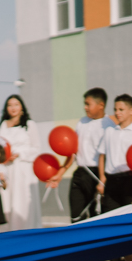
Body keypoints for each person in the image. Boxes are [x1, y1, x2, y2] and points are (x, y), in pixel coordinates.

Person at [49, 88, 114, 222]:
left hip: (97, 175)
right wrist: (60, 174)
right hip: (80, 173)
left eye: (88, 104)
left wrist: (104, 180)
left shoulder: (109, 126)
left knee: (96, 216)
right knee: (76, 214)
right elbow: (72, 151)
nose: (85, 107)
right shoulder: (82, 122)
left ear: (101, 105)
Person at [0, 95, 42, 231]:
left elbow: (36, 148)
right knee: (7, 202)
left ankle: (28, 230)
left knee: (24, 201)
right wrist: (4, 157)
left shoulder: (29, 125)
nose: (13, 108)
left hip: (24, 168)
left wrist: (20, 154)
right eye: (10, 105)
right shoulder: (0, 126)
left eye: (16, 104)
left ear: (21, 107)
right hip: (6, 170)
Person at [98, 94, 132, 212]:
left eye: (121, 110)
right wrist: (102, 179)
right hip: (111, 181)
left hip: (130, 180)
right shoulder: (110, 131)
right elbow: (102, 155)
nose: (117, 113)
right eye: (115, 109)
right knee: (109, 216)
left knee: (129, 218)